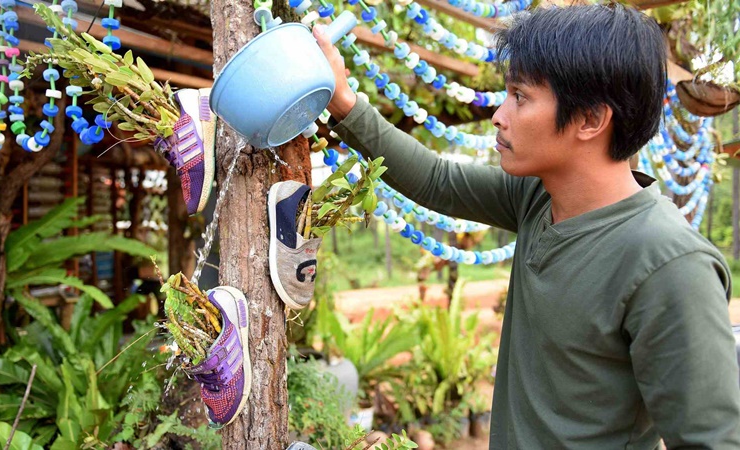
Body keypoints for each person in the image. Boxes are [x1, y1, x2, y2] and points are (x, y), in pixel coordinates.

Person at [314, 4, 740, 449]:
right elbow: (437, 180)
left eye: (520, 96)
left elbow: (710, 442)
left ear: (591, 119)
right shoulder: (539, 197)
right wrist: (343, 101)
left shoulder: (669, 264)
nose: (499, 114)